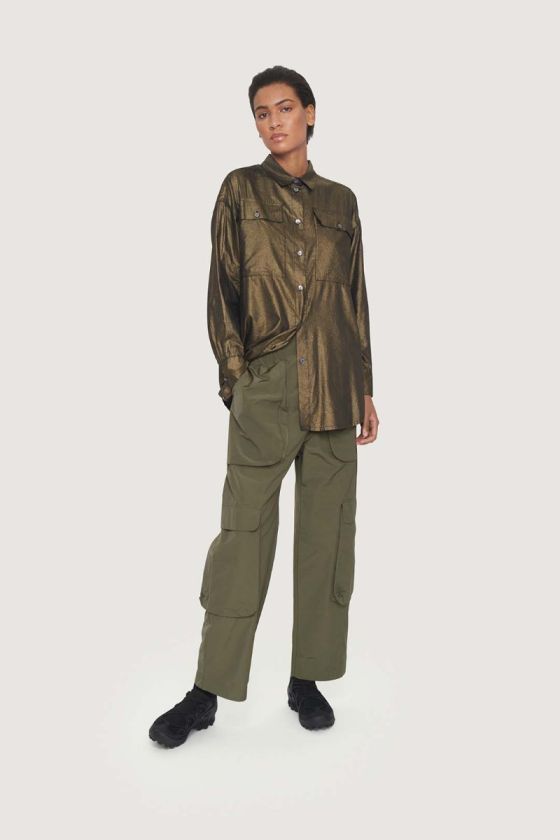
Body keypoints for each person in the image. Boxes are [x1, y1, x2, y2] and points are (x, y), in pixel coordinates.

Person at [149, 65, 379, 748]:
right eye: (261, 112)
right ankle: (206, 692)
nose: (273, 121)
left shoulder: (342, 201)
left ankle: (307, 680)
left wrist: (365, 385)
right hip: (267, 384)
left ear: (310, 113)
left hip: (335, 383)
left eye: (284, 108)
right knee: (242, 536)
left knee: (327, 538)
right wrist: (237, 381)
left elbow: (354, 298)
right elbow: (222, 287)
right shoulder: (239, 189)